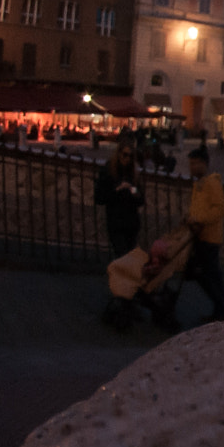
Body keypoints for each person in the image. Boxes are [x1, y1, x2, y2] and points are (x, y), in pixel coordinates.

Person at [94, 137, 145, 325]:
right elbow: (99, 197)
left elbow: (141, 199)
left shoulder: (133, 174)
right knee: (122, 259)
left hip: (131, 223)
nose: (127, 159)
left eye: (131, 156)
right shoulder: (108, 172)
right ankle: (124, 301)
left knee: (131, 263)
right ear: (118, 154)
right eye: (125, 155)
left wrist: (131, 190)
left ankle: (128, 302)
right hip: (116, 222)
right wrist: (116, 190)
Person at [182, 146, 224, 323]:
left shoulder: (211, 183)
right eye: (190, 164)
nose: (192, 167)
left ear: (204, 164)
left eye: (195, 163)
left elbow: (219, 209)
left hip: (209, 238)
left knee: (206, 273)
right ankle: (220, 307)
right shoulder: (200, 184)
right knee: (209, 274)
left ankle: (221, 307)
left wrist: (199, 220)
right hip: (200, 236)